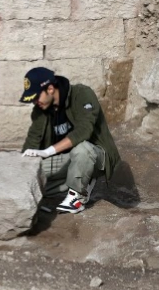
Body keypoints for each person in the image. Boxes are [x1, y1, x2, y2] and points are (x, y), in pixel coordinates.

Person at [20, 67, 120, 214]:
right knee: (34, 181)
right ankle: (79, 182)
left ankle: (77, 198)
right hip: (65, 159)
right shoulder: (41, 110)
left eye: (36, 96)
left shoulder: (82, 94)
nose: (35, 102)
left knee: (82, 149)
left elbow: (84, 131)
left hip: (96, 155)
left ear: (50, 89)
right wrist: (23, 165)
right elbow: (33, 141)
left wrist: (48, 151)